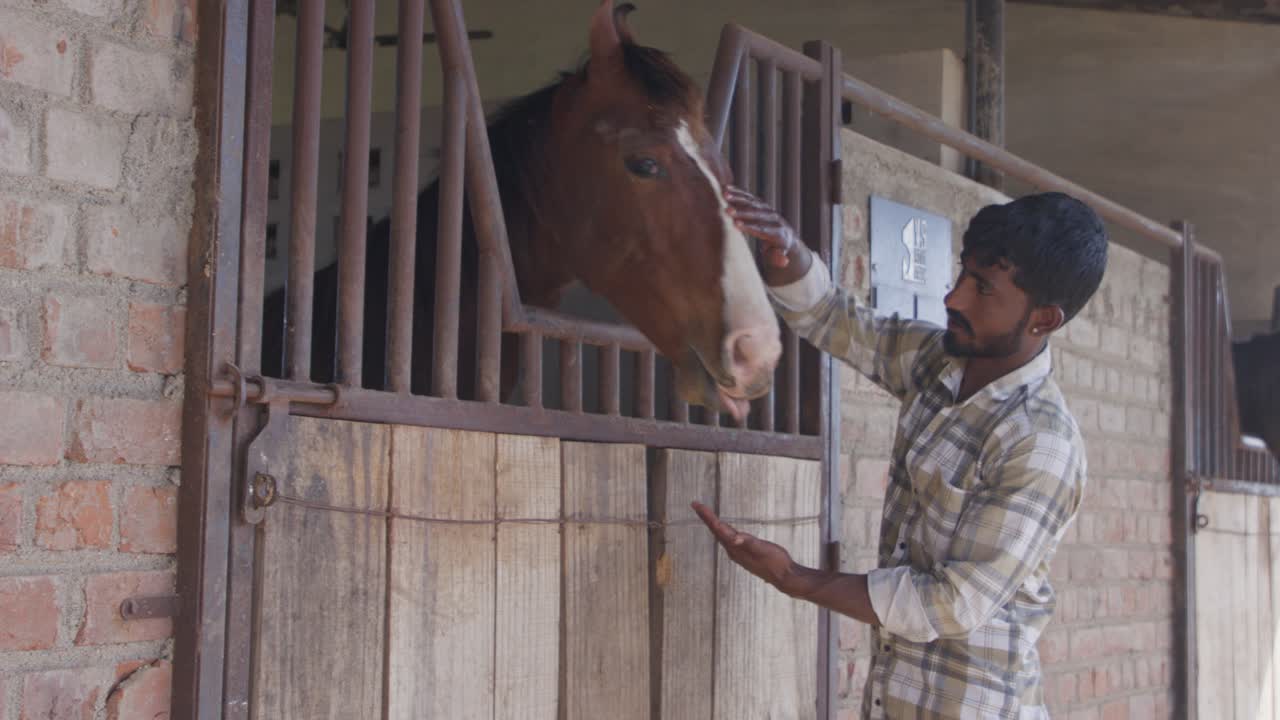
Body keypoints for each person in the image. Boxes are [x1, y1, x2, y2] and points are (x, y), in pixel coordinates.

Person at [694, 187, 1108, 719]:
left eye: (983, 289)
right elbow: (837, 320)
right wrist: (788, 254)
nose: (953, 298)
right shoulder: (938, 362)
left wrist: (792, 578)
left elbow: (951, 603)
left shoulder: (1041, 443)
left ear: (1044, 319)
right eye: (963, 273)